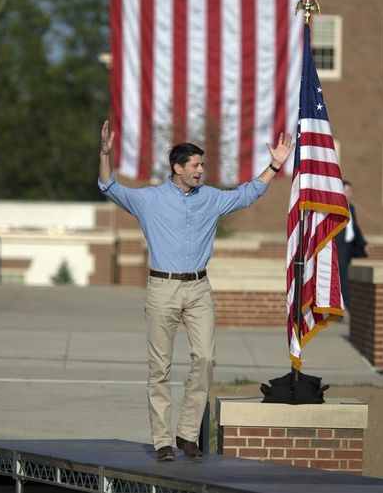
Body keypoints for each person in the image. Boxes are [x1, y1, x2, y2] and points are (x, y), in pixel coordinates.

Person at [97, 120, 294, 461]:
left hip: (200, 288)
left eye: (202, 165)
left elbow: (248, 193)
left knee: (205, 359)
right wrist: (105, 153)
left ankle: (187, 434)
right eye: (196, 165)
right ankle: (161, 441)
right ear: (177, 168)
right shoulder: (149, 200)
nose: (201, 171)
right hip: (162, 287)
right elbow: (108, 185)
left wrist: (275, 165)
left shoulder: (212, 198)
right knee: (160, 369)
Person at [335, 180, 371, 311]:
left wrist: (364, 244)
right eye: (348, 191)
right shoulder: (336, 207)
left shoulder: (352, 208)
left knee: (345, 277)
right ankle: (351, 308)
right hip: (339, 247)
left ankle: (339, 307)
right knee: (343, 279)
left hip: (349, 248)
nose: (351, 194)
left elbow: (355, 228)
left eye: (351, 191)